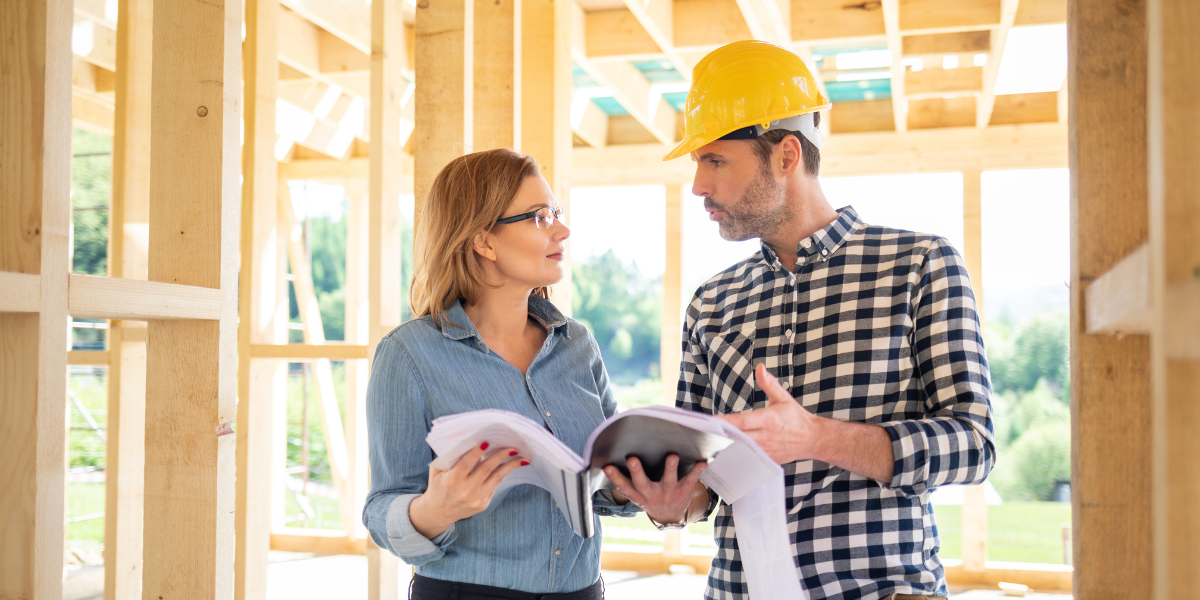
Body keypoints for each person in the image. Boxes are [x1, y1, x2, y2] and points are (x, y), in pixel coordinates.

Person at [655, 40, 995, 600]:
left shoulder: (918, 265)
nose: (699, 186)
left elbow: (973, 444)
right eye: (697, 162)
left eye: (714, 160)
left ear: (786, 155)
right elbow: (699, 482)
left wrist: (817, 437)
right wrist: (672, 505)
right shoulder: (711, 302)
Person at [361, 148, 704, 600]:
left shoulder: (576, 344)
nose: (562, 229)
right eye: (539, 216)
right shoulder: (408, 354)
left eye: (556, 212)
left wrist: (632, 485)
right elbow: (382, 507)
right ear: (483, 241)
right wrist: (433, 509)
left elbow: (597, 482)